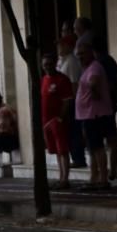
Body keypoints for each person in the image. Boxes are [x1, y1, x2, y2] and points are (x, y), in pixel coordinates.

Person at [75, 41, 114, 190]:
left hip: (94, 115)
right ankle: (95, 177)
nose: (80, 57)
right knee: (92, 148)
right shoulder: (87, 68)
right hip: (88, 115)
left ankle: (102, 178)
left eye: (82, 54)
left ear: (91, 53)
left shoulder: (94, 67)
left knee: (97, 148)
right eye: (78, 54)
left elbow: (93, 83)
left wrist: (95, 94)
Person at [93, 36, 117, 181]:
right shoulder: (109, 61)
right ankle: (115, 170)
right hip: (110, 103)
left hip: (106, 105)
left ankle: (114, 171)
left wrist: (116, 102)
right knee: (112, 139)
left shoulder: (102, 63)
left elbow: (112, 85)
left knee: (111, 139)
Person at [41, 52, 75, 190]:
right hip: (45, 122)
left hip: (57, 121)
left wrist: (60, 118)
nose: (47, 67)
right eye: (45, 65)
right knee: (55, 151)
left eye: (49, 64)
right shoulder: (43, 80)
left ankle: (65, 179)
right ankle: (60, 177)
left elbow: (67, 101)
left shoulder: (62, 80)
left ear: (55, 63)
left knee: (63, 150)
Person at [56, 38, 87, 169]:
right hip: (64, 102)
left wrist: (71, 102)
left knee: (74, 131)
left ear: (68, 46)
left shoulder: (71, 62)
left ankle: (79, 158)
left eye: (61, 45)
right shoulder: (61, 61)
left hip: (71, 102)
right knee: (69, 132)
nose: (59, 47)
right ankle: (75, 157)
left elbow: (74, 84)